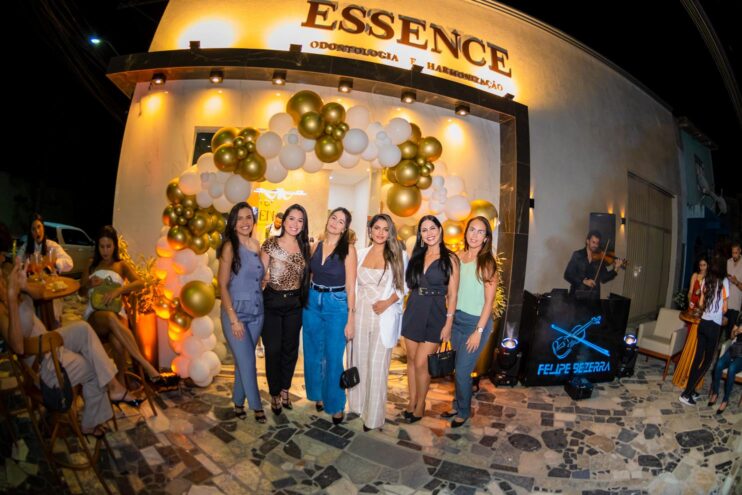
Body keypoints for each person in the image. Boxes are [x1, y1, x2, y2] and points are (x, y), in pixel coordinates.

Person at [1, 257, 140, 439]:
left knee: (83, 328)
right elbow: (19, 348)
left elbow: (41, 293)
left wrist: (24, 286)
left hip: (50, 345)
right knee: (93, 365)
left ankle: (114, 386)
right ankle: (90, 423)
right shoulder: (3, 310)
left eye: (4, 279)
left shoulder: (18, 290)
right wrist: (11, 298)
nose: (3, 283)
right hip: (43, 366)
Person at [80, 226, 161, 387]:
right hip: (96, 315)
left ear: (115, 246)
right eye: (102, 246)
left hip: (118, 312)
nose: (105, 251)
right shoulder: (91, 265)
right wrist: (89, 284)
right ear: (97, 247)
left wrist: (118, 290)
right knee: (110, 318)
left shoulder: (121, 265)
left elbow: (140, 283)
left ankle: (121, 384)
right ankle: (144, 364)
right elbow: (81, 292)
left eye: (108, 246)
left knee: (117, 341)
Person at [349, 214, 406, 431]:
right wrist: (350, 315)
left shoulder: (399, 255)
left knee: (377, 366)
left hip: (384, 316)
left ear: (390, 232)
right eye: (377, 228)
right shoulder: (360, 253)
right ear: (370, 230)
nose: (381, 233)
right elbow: (352, 286)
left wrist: (386, 303)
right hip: (360, 315)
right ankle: (357, 406)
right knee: (359, 361)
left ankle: (373, 417)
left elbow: (404, 286)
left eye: (385, 229)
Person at [401, 215, 459, 423]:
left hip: (435, 313)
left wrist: (448, 323)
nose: (429, 233)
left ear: (440, 230)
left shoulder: (450, 258)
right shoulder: (417, 255)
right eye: (424, 230)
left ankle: (421, 404)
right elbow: (410, 285)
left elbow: (453, 294)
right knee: (411, 360)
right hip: (414, 308)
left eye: (432, 228)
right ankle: (412, 401)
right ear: (420, 234)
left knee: (421, 363)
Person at [442, 216, 498, 428]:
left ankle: (464, 411)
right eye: (472, 230)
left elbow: (489, 302)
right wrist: (448, 321)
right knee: (457, 368)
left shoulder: (487, 263)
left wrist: (478, 331)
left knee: (463, 370)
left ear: (486, 238)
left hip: (476, 323)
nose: (475, 235)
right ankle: (457, 405)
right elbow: (451, 292)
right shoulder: (457, 257)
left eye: (480, 232)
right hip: (457, 320)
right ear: (466, 232)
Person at [303, 207, 357, 425]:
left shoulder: (349, 250)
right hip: (312, 301)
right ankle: (318, 394)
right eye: (333, 218)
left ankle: (336, 404)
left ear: (345, 228)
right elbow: (310, 275)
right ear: (328, 220)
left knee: (333, 356)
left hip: (337, 304)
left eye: (341, 221)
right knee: (313, 352)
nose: (335, 223)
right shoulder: (316, 245)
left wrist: (351, 318)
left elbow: (351, 287)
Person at [218, 202, 266, 423]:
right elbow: (222, 285)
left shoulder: (256, 245)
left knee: (242, 361)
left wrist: (264, 279)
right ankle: (257, 406)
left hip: (257, 312)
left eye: (248, 217)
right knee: (248, 362)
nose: (245, 222)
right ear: (233, 223)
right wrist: (233, 319)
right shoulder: (229, 247)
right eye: (240, 218)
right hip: (235, 313)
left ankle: (238, 402)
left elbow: (255, 277)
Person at [260, 204, 310, 416]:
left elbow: (309, 277)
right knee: (273, 350)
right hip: (272, 302)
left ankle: (285, 389)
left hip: (294, 304)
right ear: (284, 220)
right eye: (291, 218)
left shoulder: (306, 247)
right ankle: (274, 392)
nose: (295, 224)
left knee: (290, 349)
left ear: (304, 224)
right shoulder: (270, 244)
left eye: (300, 220)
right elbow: (260, 275)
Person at [680, 256, 729, 406]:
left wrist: (709, 307)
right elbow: (725, 308)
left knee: (697, 359)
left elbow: (701, 303)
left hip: (703, 323)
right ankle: (686, 393)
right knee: (707, 362)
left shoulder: (705, 280)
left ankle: (691, 390)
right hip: (714, 326)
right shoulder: (724, 282)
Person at [21, 213, 74, 326]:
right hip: (33, 288)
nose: (37, 231)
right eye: (33, 229)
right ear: (30, 232)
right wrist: (26, 267)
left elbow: (69, 263)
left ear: (43, 228)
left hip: (50, 288)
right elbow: (17, 263)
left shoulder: (51, 245)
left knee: (52, 318)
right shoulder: (26, 247)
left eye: (39, 227)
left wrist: (55, 262)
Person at [563, 230, 623, 299]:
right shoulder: (578, 255)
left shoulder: (599, 259)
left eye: (597, 243)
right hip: (577, 296)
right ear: (587, 241)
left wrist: (616, 269)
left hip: (593, 297)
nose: (595, 245)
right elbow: (567, 275)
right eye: (593, 242)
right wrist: (583, 281)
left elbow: (604, 278)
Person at [708, 313, 742, 414]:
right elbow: (731, 336)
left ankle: (725, 400)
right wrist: (736, 331)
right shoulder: (741, 318)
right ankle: (715, 393)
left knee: (732, 368)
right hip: (735, 349)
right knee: (718, 364)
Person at [725, 242, 742, 340]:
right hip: (726, 301)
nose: (734, 255)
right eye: (732, 253)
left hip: (736, 304)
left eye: (736, 253)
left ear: (740, 251)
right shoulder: (728, 262)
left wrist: (736, 282)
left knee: (730, 333)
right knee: (720, 330)